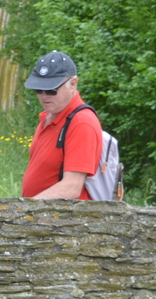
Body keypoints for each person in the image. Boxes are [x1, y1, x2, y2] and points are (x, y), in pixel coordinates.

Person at [21, 50, 103, 199]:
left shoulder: (82, 123)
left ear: (72, 84)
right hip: (40, 211)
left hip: (63, 213)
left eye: (51, 90)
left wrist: (25, 207)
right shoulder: (49, 116)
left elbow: (71, 188)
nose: (43, 96)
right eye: (38, 90)